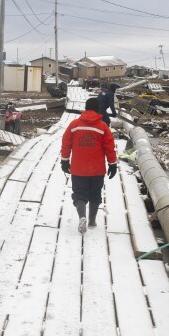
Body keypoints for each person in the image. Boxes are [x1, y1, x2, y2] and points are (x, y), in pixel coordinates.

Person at [60, 97, 117, 234]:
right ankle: (92, 221)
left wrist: (64, 160)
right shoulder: (103, 127)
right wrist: (112, 164)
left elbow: (66, 142)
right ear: (98, 109)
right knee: (95, 194)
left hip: (78, 169)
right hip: (97, 169)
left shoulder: (74, 125)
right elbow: (109, 147)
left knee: (79, 194)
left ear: (85, 108)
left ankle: (82, 216)